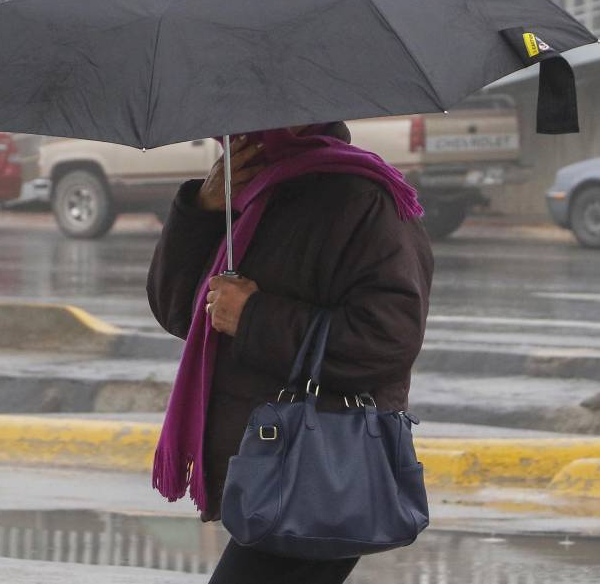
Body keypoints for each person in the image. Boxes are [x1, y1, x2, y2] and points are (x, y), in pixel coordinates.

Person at [147, 122, 434, 584]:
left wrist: (254, 316)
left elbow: (388, 339)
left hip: (319, 468)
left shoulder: (363, 198)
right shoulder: (255, 193)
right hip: (265, 465)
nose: (234, 128)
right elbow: (181, 312)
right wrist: (201, 210)